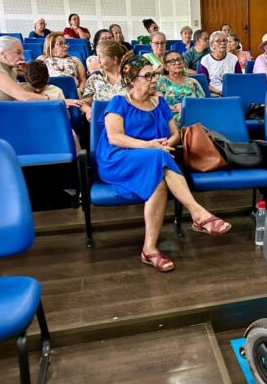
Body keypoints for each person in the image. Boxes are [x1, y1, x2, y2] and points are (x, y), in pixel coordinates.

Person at [97, 53, 231, 271]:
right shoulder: (119, 101)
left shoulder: (159, 102)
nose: (154, 80)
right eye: (148, 76)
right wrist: (151, 146)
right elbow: (115, 137)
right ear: (132, 79)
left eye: (155, 75)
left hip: (153, 158)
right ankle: (198, 213)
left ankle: (149, 250)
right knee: (160, 157)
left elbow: (175, 133)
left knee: (159, 183)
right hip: (118, 159)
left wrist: (167, 143)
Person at [80, 40, 127, 120]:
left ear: (114, 59)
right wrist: (89, 110)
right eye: (97, 56)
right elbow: (84, 103)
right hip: (102, 120)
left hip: (128, 119)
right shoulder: (95, 78)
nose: (98, 61)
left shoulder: (130, 77)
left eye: (100, 57)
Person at [157, 50, 204, 126]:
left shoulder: (193, 82)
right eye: (172, 61)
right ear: (166, 67)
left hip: (193, 115)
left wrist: (185, 107)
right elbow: (156, 104)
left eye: (180, 59)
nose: (177, 63)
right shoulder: (161, 81)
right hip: (171, 118)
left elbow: (203, 103)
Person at [198, 31, 241, 95]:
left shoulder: (233, 58)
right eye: (218, 41)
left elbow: (239, 79)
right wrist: (220, 92)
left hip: (232, 92)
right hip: (213, 93)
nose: (222, 43)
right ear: (212, 44)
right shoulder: (205, 60)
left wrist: (231, 92)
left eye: (224, 40)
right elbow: (203, 84)